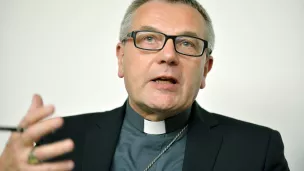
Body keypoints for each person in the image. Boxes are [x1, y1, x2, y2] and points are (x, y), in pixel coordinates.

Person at [0, 0, 290, 171]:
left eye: (187, 43)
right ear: (121, 58)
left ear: (205, 69)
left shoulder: (257, 151)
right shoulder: (58, 142)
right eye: (149, 39)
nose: (168, 55)